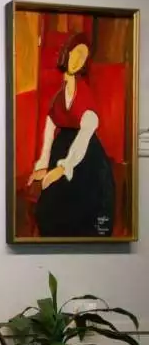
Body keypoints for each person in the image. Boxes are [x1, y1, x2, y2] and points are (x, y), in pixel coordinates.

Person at [27, 32, 116, 237]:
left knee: (78, 209)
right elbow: (50, 127)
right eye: (75, 53)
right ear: (66, 54)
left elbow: (84, 136)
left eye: (82, 56)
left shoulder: (84, 94)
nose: (77, 60)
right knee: (48, 210)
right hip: (62, 150)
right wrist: (43, 164)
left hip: (84, 158)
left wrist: (62, 168)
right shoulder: (60, 94)